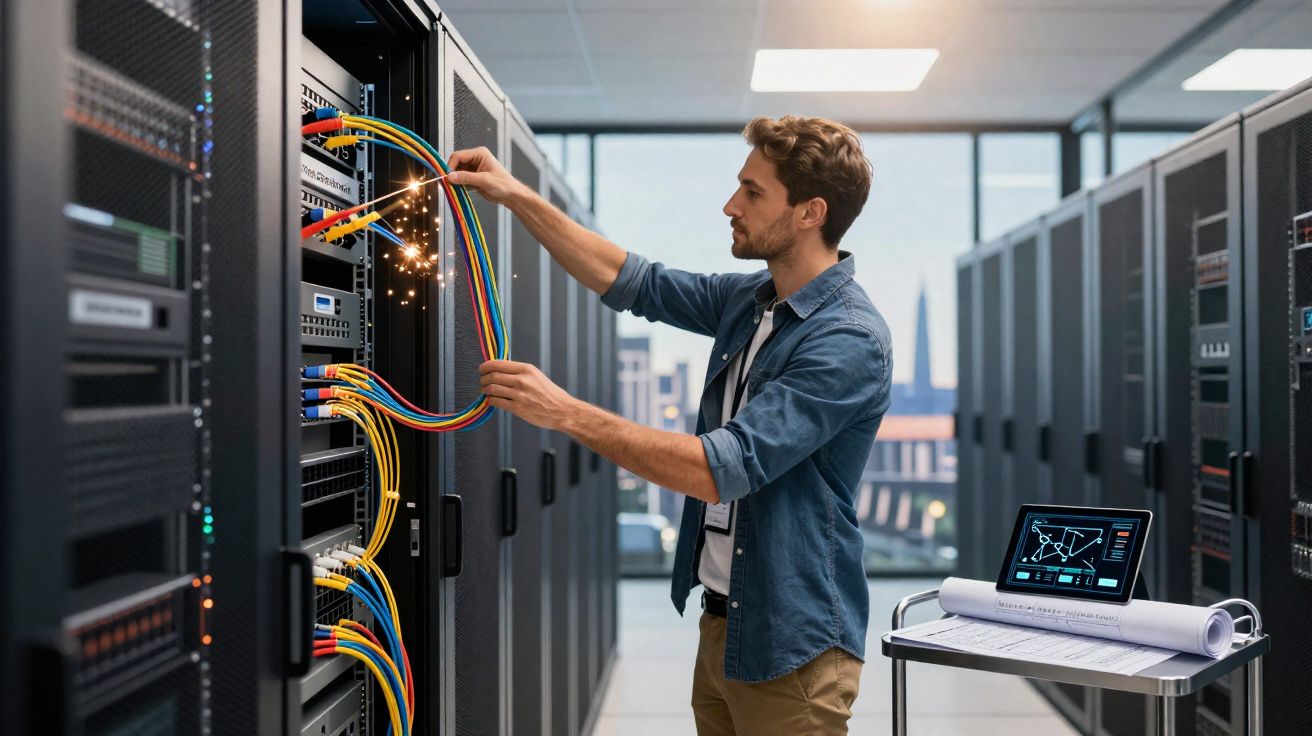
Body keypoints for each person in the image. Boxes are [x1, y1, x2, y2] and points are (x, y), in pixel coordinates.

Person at [449, 115, 891, 735]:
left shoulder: (847, 339)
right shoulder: (753, 302)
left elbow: (719, 469)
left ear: (810, 212)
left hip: (792, 642)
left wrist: (565, 412)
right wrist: (515, 194)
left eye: (754, 192)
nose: (730, 204)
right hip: (725, 624)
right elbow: (635, 281)